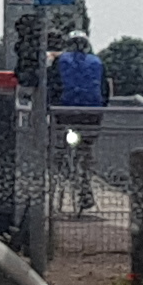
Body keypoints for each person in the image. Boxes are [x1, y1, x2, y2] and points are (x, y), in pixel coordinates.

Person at [48, 34, 108, 210]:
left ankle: (58, 174)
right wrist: (101, 109)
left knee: (60, 144)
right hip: (91, 114)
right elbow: (104, 90)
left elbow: (52, 86)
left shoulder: (60, 61)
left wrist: (49, 108)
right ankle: (85, 188)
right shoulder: (97, 62)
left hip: (65, 112)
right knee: (85, 149)